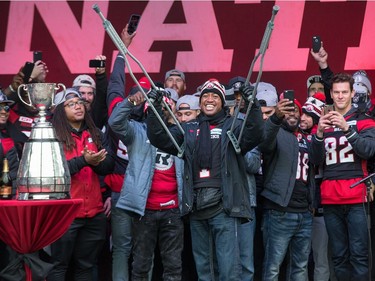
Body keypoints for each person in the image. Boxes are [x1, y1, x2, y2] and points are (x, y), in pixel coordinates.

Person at [146, 78, 264, 280]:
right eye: (205, 96)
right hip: (196, 207)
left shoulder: (233, 125)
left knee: (229, 271)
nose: (209, 99)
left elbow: (255, 133)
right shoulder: (189, 129)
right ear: (199, 103)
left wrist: (251, 102)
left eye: (215, 96)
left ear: (222, 101)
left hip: (224, 207)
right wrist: (154, 109)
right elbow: (160, 138)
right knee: (205, 272)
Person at [108, 43, 185, 281]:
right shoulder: (138, 131)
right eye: (161, 102)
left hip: (174, 209)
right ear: (152, 106)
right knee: (141, 265)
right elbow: (114, 123)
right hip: (145, 209)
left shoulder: (185, 133)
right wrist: (132, 102)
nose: (166, 105)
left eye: (170, 102)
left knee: (173, 267)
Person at [311, 72, 375, 281]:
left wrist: (347, 129)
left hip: (356, 196)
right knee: (338, 257)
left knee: (359, 256)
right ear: (331, 93)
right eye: (336, 92)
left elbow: (368, 150)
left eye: (344, 92)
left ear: (352, 93)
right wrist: (319, 133)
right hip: (330, 198)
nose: (340, 96)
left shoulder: (364, 120)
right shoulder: (323, 121)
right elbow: (315, 161)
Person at [47, 88, 114, 280]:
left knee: (86, 266)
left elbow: (109, 166)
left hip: (94, 213)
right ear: (60, 110)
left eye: (80, 103)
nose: (78, 106)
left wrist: (97, 161)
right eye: (71, 104)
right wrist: (84, 161)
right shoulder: (53, 136)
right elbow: (53, 173)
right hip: (65, 214)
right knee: (58, 266)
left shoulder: (95, 132)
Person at [258, 93, 323, 281]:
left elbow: (318, 160)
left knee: (300, 268)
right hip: (279, 212)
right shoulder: (275, 132)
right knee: (272, 267)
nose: (292, 114)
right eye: (286, 111)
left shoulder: (305, 137)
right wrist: (276, 117)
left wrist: (318, 135)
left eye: (295, 110)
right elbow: (263, 144)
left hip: (304, 212)